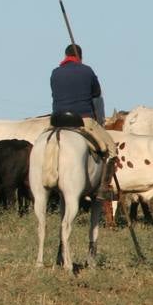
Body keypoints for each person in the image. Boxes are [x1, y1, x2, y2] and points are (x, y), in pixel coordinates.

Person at [49, 43, 115, 199]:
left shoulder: (55, 73)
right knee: (112, 149)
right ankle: (103, 187)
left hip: (57, 121)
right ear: (80, 56)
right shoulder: (87, 71)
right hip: (82, 119)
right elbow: (96, 93)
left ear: (65, 56)